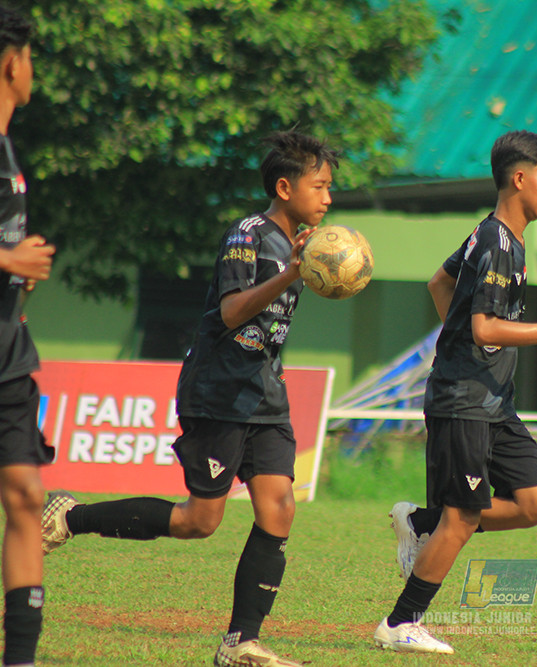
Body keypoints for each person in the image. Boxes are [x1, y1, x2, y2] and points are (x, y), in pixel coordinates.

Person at [41, 130, 339, 667]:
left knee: (280, 509)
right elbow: (230, 313)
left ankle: (240, 643)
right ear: (284, 186)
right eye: (320, 186)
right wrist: (294, 273)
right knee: (198, 522)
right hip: (217, 393)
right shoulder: (247, 234)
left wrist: (308, 266)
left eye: (330, 188)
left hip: (266, 396)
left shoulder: (304, 245)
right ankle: (72, 515)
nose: (328, 198)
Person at [374, 130, 537, 654]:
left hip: (493, 399)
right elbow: (485, 328)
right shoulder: (498, 242)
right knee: (465, 516)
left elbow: (438, 284)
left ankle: (421, 522)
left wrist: (459, 348)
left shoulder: (496, 236)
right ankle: (400, 624)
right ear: (519, 179)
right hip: (464, 400)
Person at [0, 7, 56, 667]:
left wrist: (19, 272)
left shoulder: (10, 149)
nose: (32, 70)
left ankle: (20, 659)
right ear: (12, 62)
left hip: (9, 355)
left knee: (26, 494)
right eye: (31, 58)